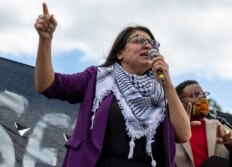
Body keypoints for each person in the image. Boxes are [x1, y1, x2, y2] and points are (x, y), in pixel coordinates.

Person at [34, 2, 191, 167]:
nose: (147, 45)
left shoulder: (161, 91)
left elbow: (184, 135)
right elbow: (47, 84)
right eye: (139, 40)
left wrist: (167, 84)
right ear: (120, 53)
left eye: (153, 44)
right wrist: (45, 40)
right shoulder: (96, 78)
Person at [175, 80, 232, 167]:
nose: (202, 98)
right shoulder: (169, 129)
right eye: (196, 94)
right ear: (178, 101)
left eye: (204, 94)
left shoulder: (220, 126)